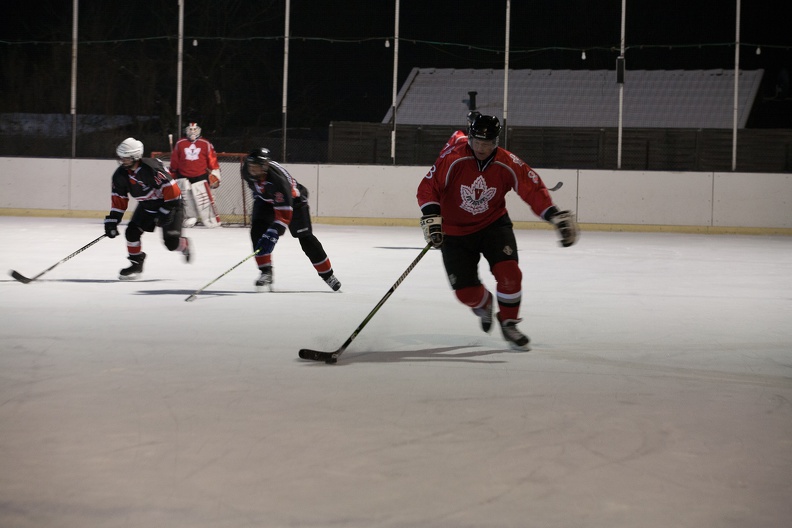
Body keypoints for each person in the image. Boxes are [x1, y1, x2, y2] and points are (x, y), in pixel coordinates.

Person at [416, 114, 578, 350]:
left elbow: (531, 189)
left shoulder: (507, 162)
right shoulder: (453, 158)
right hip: (454, 231)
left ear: (496, 142)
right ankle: (484, 303)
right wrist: (432, 218)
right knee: (466, 294)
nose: (482, 148)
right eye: (477, 143)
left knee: (510, 274)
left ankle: (509, 321)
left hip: (493, 225)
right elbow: (428, 188)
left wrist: (554, 215)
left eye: (488, 143)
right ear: (470, 138)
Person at [241, 148, 341, 292]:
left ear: (265, 167)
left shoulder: (278, 181)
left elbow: (284, 216)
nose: (253, 170)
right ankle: (266, 272)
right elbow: (257, 188)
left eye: (256, 167)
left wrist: (273, 234)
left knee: (306, 239)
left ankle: (328, 275)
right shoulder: (246, 171)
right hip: (266, 200)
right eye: (251, 166)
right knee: (257, 231)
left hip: (293, 201)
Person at [104, 137, 192, 280]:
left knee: (171, 244)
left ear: (136, 156)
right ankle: (136, 263)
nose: (122, 161)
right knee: (132, 232)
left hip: (171, 204)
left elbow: (173, 192)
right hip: (147, 207)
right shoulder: (120, 175)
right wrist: (113, 220)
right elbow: (119, 199)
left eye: (126, 158)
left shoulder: (151, 169)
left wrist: (166, 210)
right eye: (121, 157)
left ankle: (183, 244)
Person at [169, 122, 222, 227]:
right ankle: (190, 217)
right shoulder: (180, 143)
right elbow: (175, 159)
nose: (192, 132)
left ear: (199, 131)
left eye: (195, 130)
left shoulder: (205, 143)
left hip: (200, 175)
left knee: (204, 198)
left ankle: (209, 218)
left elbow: (212, 158)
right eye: (190, 130)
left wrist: (215, 170)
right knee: (186, 198)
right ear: (186, 131)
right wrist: (173, 170)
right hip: (183, 175)